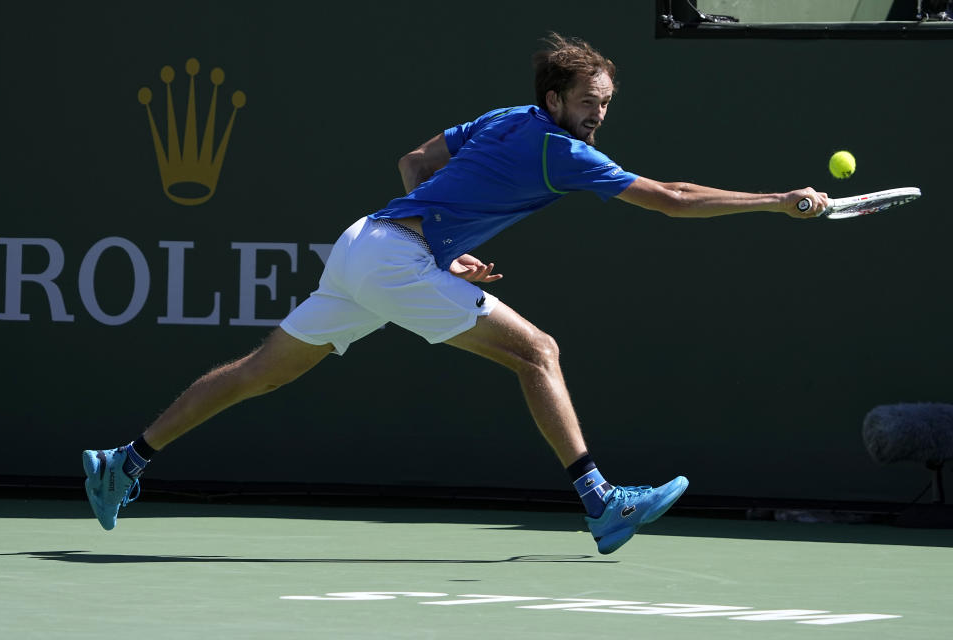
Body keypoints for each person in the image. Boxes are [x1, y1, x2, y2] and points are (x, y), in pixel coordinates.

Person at [83, 33, 828, 554]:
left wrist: (443, 246)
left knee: (257, 374)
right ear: (556, 97)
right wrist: (772, 201)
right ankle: (602, 503)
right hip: (391, 259)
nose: (599, 114)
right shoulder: (558, 150)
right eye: (589, 101)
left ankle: (125, 459)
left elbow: (414, 162)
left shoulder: (505, 120)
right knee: (539, 353)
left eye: (606, 104)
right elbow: (668, 197)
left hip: (362, 245)